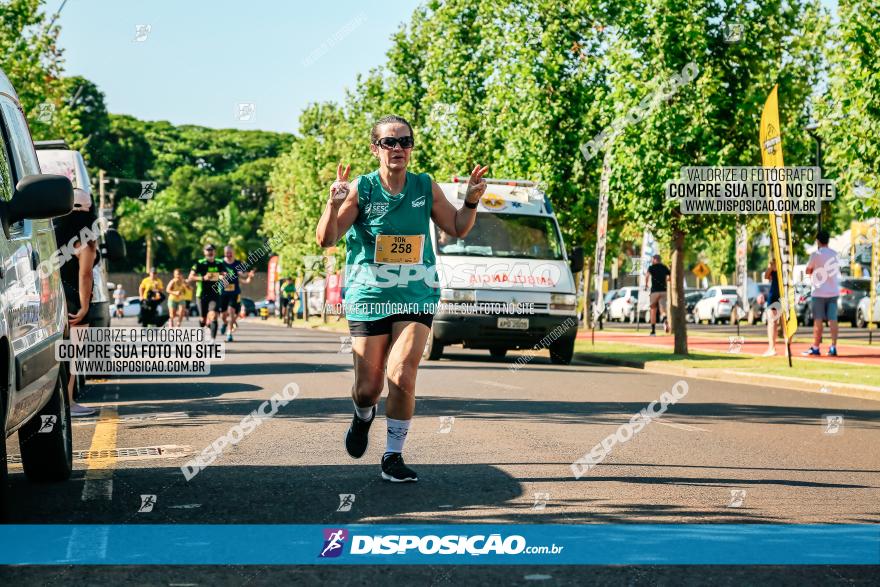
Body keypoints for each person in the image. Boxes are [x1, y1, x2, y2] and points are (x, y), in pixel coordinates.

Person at [315, 114, 487, 482]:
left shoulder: (425, 186)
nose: (398, 149)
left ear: (411, 147)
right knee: (367, 389)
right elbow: (327, 240)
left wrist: (470, 202)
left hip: (416, 293)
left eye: (404, 141)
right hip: (370, 296)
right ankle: (363, 417)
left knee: (402, 373)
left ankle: (393, 455)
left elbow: (456, 227)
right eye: (389, 142)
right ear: (375, 148)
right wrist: (332, 203)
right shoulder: (362, 188)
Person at [53, 188, 99, 416]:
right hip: (75, 302)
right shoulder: (86, 241)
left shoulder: (53, 234)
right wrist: (84, 306)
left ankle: (62, 403)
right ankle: (69, 403)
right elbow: (85, 275)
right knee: (74, 356)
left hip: (55, 299)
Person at [804, 229, 840, 356]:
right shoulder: (835, 254)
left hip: (818, 292)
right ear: (828, 240)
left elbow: (808, 270)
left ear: (818, 241)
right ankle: (833, 347)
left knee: (818, 320)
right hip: (833, 291)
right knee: (833, 320)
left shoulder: (815, 255)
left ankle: (816, 347)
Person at [188, 243, 225, 340]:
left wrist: (216, 276)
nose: (210, 252)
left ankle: (212, 339)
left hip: (215, 293)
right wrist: (203, 278)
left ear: (215, 252)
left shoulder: (219, 263)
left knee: (213, 316)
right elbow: (191, 277)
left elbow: (224, 275)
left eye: (212, 250)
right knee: (203, 319)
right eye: (208, 250)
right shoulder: (199, 263)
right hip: (202, 294)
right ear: (204, 252)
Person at [219, 245, 254, 342]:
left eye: (230, 252)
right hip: (223, 292)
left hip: (234, 292)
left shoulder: (238, 263)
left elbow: (242, 274)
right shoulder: (220, 263)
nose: (229, 254)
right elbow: (216, 274)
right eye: (227, 253)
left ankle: (229, 333)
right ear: (224, 253)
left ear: (233, 253)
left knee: (231, 312)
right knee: (223, 315)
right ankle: (225, 323)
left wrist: (249, 275)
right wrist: (221, 277)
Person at [644, 254, 671, 335]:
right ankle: (665, 319)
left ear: (655, 259)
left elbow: (647, 276)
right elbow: (670, 276)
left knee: (653, 311)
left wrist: (646, 285)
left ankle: (653, 331)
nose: (652, 261)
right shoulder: (664, 267)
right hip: (663, 291)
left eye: (653, 259)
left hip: (654, 292)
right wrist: (668, 280)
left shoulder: (651, 267)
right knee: (663, 310)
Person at [762, 259, 783, 356]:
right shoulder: (773, 264)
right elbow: (766, 276)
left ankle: (787, 349)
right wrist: (771, 267)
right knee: (772, 322)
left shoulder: (786, 262)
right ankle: (772, 347)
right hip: (774, 294)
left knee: (784, 322)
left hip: (784, 295)